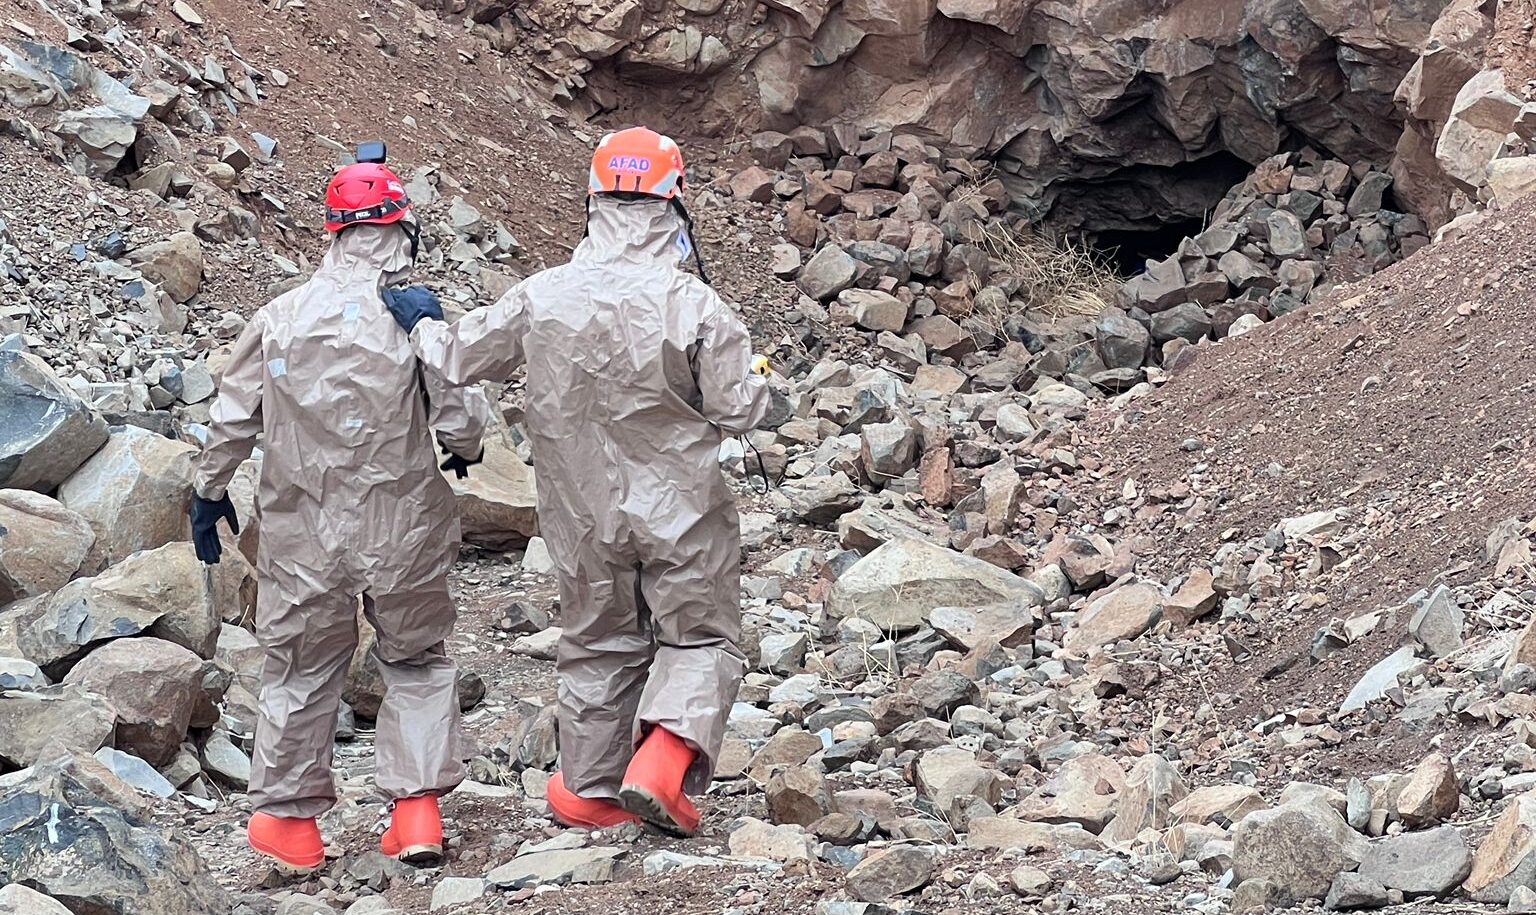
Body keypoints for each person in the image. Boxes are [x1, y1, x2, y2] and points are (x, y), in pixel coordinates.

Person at [384, 126, 771, 835]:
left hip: (579, 511)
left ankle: (589, 790)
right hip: (681, 508)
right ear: (674, 203)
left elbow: (459, 358)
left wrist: (425, 324)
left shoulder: (544, 294)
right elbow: (740, 408)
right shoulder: (694, 305)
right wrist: (766, 380)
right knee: (700, 634)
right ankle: (662, 761)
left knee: (597, 640)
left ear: (592, 200)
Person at [190, 158, 490, 872]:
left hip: (302, 531)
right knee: (416, 659)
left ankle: (291, 826)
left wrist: (208, 490)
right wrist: (461, 444)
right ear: (401, 230)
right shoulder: (413, 317)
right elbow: (462, 419)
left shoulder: (278, 318)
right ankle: (416, 813)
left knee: (299, 667)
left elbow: (231, 419)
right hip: (404, 525)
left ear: (331, 232)